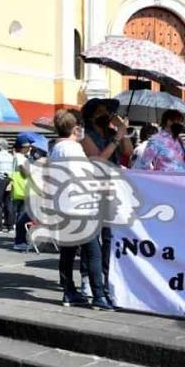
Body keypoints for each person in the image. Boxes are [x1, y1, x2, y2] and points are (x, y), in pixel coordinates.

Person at [50, 108, 114, 311]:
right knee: (93, 251)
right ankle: (99, 295)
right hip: (80, 207)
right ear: (75, 128)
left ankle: (68, 290)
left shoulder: (55, 149)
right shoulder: (72, 148)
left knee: (67, 252)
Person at [81, 98, 134, 289]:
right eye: (101, 112)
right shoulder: (86, 136)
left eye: (107, 112)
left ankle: (106, 275)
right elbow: (98, 160)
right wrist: (116, 138)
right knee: (92, 236)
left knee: (110, 236)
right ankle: (87, 277)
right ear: (92, 116)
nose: (105, 115)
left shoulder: (113, 132)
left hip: (114, 190)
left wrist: (122, 131)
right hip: (93, 190)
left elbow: (128, 151)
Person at [11, 138, 32, 251]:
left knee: (21, 214)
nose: (29, 148)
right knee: (22, 216)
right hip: (23, 189)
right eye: (28, 146)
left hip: (21, 189)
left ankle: (20, 239)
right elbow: (24, 171)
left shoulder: (19, 157)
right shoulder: (20, 157)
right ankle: (20, 240)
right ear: (23, 147)